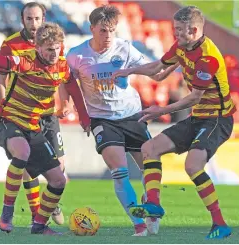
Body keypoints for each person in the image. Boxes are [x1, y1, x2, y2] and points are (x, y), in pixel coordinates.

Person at [0, 22, 90, 235]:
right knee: (22, 152)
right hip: (9, 121)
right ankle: (7, 214)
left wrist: (85, 118)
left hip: (33, 128)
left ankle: (39, 226)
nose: (54, 53)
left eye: (58, 48)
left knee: (59, 180)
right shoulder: (25, 62)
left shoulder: (62, 68)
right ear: (38, 48)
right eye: (49, 49)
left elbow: (74, 91)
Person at [112, 6, 236, 239]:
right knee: (150, 148)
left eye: (179, 29)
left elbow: (194, 97)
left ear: (194, 29)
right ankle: (154, 205)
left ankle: (220, 223)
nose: (174, 33)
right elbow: (157, 68)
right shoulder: (181, 46)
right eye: (174, 28)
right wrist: (129, 71)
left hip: (217, 119)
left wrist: (161, 110)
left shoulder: (207, 57)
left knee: (192, 166)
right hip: (199, 117)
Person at [66, 5, 177, 236]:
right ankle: (138, 225)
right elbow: (68, 85)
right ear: (92, 28)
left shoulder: (125, 49)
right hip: (102, 120)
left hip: (132, 116)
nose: (108, 37)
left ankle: (151, 205)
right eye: (103, 31)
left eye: (112, 31)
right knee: (119, 171)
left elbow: (154, 72)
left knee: (150, 168)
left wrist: (176, 62)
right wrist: (77, 112)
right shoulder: (76, 55)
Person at [0, 2, 67, 226]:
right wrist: (7, 106)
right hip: (24, 115)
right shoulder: (11, 44)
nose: (34, 23)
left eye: (37, 19)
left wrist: (65, 103)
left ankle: (50, 203)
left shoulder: (54, 42)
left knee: (60, 168)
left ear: (44, 18)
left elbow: (61, 74)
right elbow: (1, 79)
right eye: (29, 19)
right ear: (22, 20)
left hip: (48, 114)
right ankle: (37, 214)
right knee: (27, 163)